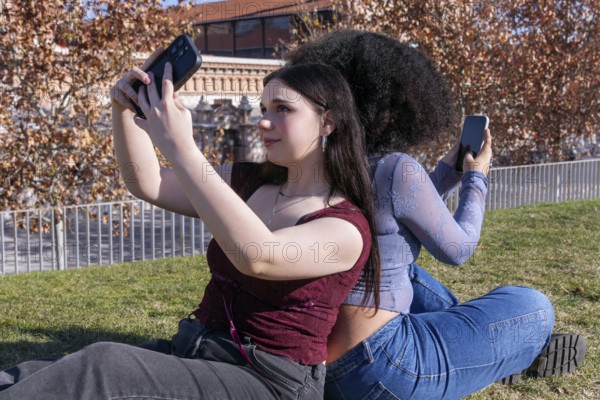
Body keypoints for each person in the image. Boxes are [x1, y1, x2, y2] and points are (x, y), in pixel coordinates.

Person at [0, 59, 381, 398]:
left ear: (328, 122)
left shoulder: (346, 228)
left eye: (282, 109)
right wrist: (123, 109)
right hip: (199, 349)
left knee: (102, 365)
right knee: (39, 371)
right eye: (263, 108)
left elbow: (259, 256)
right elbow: (147, 182)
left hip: (270, 381)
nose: (263, 120)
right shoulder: (250, 182)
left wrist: (183, 146)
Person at [286, 29, 587, 399]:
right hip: (385, 368)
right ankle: (508, 353)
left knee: (404, 269)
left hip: (322, 369)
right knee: (533, 307)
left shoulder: (317, 164)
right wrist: (476, 179)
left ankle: (481, 347)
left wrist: (444, 175)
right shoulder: (393, 167)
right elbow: (457, 249)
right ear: (395, 106)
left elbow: (389, 213)